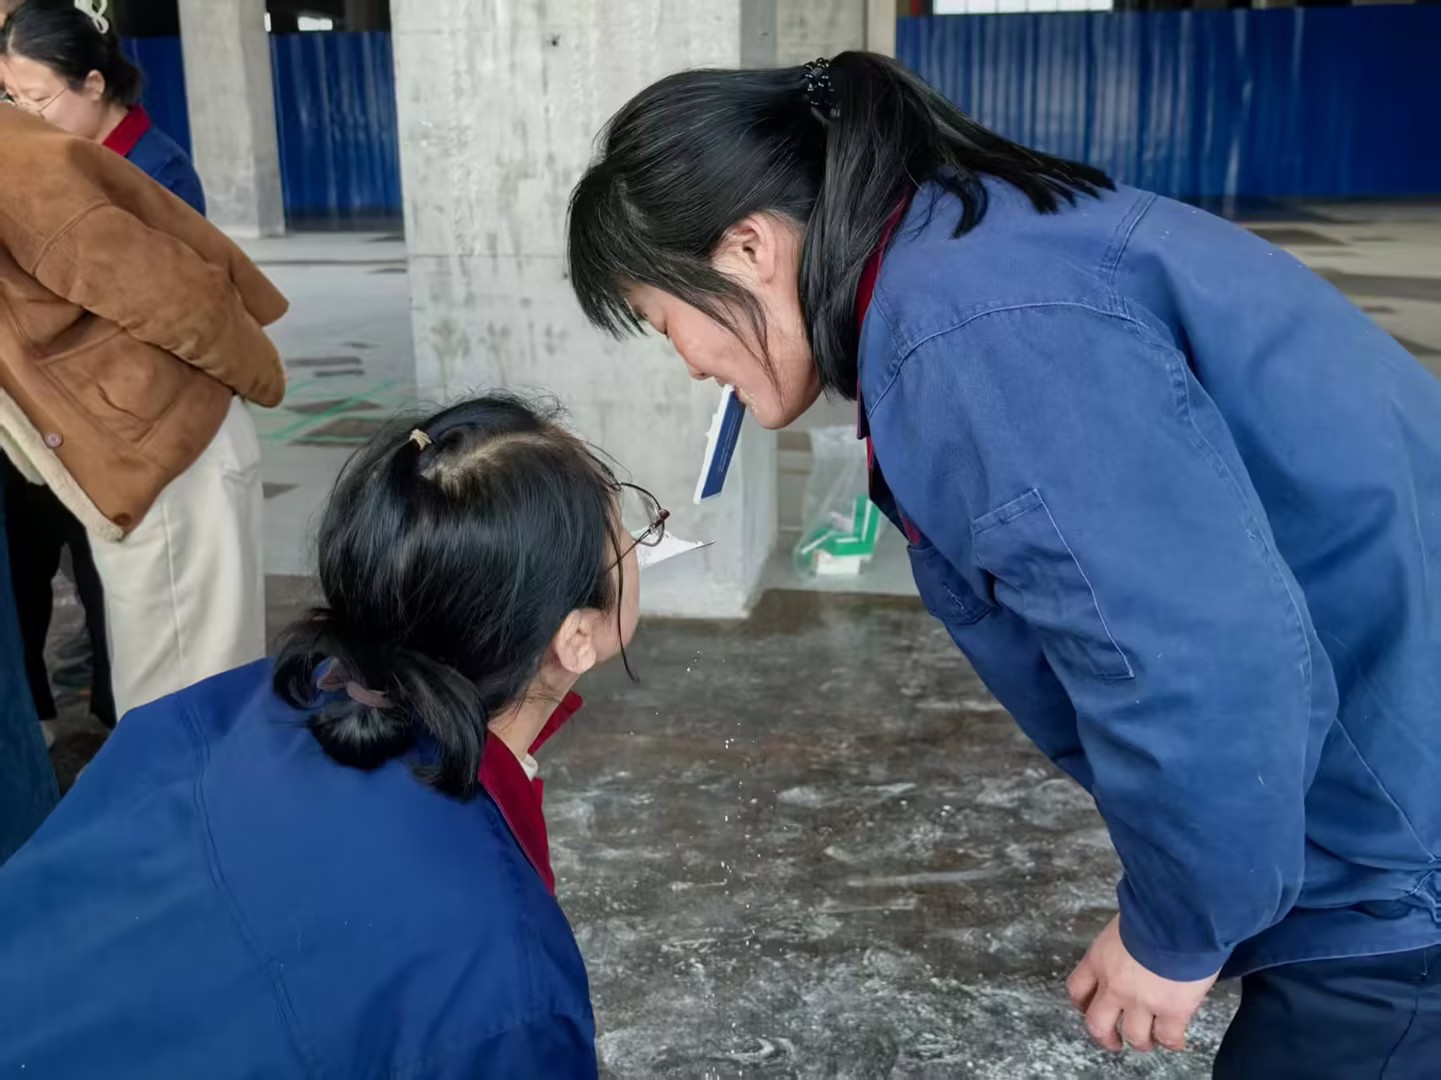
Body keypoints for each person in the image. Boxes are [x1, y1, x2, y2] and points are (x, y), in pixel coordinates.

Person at [567, 52, 1441, 1076]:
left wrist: (1178, 925)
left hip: (1392, 852)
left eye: (664, 319)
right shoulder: (972, 253)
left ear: (749, 248)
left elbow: (1193, 652)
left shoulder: (973, 329)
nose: (688, 360)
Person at [0, 394, 663, 1077]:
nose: (634, 544)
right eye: (624, 530)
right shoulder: (503, 982)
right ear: (575, 637)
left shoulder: (245, 704)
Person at [0, 104, 285, 721]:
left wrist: (257, 375)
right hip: (127, 453)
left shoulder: (9, 157)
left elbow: (166, 287)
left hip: (166, 451)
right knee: (175, 702)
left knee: (183, 706)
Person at [1, 0, 208, 733]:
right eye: (11, 99)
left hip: (110, 423)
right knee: (23, 569)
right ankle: (35, 719)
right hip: (32, 418)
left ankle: (120, 718)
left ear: (93, 84)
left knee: (113, 585)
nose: (24, 116)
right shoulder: (35, 159)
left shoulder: (156, 173)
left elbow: (173, 313)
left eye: (37, 99)